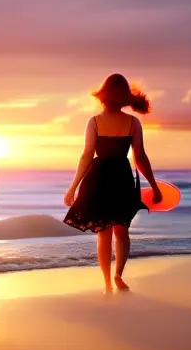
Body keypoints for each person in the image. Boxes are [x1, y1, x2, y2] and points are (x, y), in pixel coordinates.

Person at [63, 73, 162, 293]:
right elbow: (141, 157)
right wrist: (154, 186)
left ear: (103, 96)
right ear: (124, 97)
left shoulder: (95, 122)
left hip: (99, 179)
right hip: (121, 178)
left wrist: (73, 187)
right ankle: (118, 274)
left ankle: (107, 283)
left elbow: (87, 155)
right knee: (122, 230)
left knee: (103, 233)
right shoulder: (133, 123)